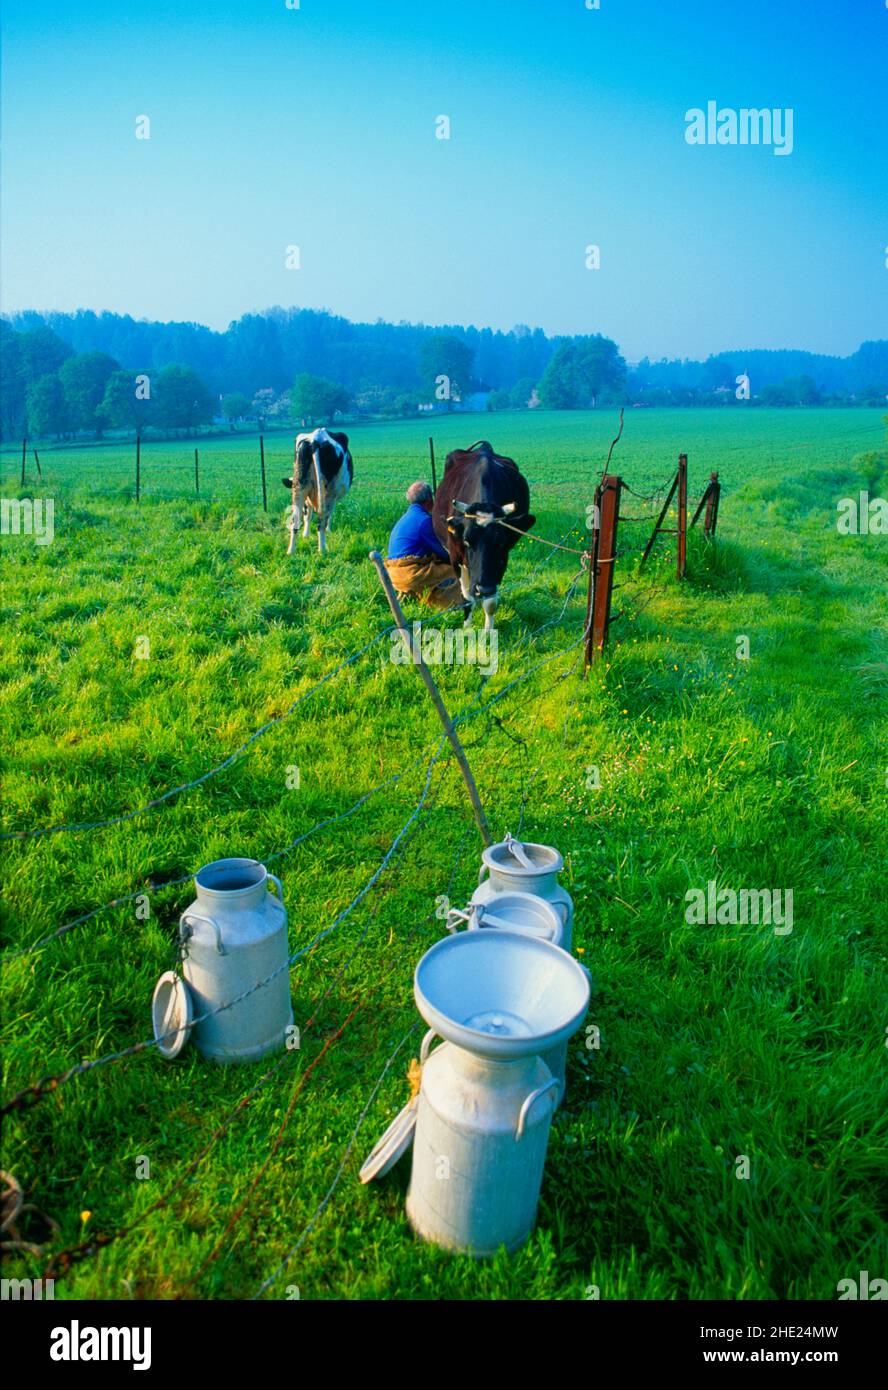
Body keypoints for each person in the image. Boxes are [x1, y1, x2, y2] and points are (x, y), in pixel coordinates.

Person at [385, 481, 463, 611]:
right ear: (429, 500)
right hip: (410, 574)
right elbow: (443, 553)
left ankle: (415, 596)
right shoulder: (424, 521)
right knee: (456, 572)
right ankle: (448, 603)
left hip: (393, 574)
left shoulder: (406, 517)